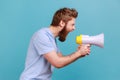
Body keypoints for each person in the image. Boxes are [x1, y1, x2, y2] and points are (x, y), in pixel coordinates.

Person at [20, 7, 91, 80]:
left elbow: (61, 58)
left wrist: (79, 53)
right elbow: (57, 63)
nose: (74, 28)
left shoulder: (51, 38)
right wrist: (79, 53)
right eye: (72, 24)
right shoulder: (42, 35)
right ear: (62, 23)